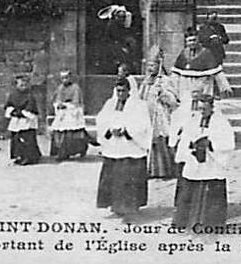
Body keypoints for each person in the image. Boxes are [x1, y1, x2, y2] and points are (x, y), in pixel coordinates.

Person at [172, 94, 234, 229]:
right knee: (190, 187)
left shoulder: (221, 122)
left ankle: (211, 223)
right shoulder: (193, 120)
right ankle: (188, 221)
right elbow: (186, 137)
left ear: (212, 108)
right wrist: (190, 146)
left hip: (212, 161)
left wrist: (210, 143)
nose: (201, 112)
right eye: (199, 109)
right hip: (195, 160)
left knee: (211, 190)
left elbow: (228, 143)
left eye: (204, 109)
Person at [96, 77, 152, 218]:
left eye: (123, 91)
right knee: (114, 179)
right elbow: (101, 120)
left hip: (130, 147)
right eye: (118, 91)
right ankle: (116, 206)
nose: (120, 94)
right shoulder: (110, 104)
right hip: (114, 146)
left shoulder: (139, 106)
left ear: (130, 91)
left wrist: (126, 131)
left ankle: (130, 206)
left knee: (128, 178)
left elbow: (143, 125)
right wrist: (109, 130)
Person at [171, 28, 233, 112]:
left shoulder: (207, 53)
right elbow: (176, 74)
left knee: (203, 110)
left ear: (198, 40)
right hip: (186, 87)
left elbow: (218, 73)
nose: (192, 43)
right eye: (189, 41)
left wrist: (225, 86)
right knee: (186, 110)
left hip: (203, 86)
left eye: (194, 40)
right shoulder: (183, 54)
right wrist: (172, 89)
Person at [138, 54, 179, 179]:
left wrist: (163, 93)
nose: (151, 68)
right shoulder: (146, 81)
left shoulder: (165, 80)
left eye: (153, 65)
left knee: (160, 139)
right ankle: (149, 169)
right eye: (149, 65)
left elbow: (173, 101)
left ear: (159, 66)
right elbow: (140, 97)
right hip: (146, 114)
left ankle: (163, 170)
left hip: (159, 114)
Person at [49, 69, 91, 161]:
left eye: (66, 78)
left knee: (71, 133)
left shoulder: (75, 88)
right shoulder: (60, 88)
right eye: (62, 78)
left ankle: (76, 149)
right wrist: (58, 105)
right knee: (59, 132)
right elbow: (56, 100)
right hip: (62, 113)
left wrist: (67, 105)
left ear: (70, 78)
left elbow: (76, 103)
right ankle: (61, 152)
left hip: (72, 112)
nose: (64, 80)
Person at [4, 76, 42, 166]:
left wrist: (22, 113)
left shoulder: (30, 95)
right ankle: (18, 156)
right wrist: (12, 111)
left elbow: (31, 108)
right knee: (16, 139)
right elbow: (9, 105)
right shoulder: (13, 95)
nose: (23, 86)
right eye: (21, 85)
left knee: (27, 138)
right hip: (17, 120)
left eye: (25, 85)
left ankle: (30, 157)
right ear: (16, 85)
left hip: (26, 120)